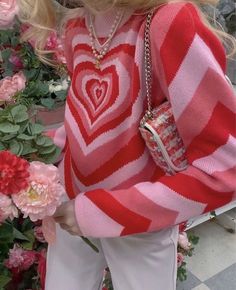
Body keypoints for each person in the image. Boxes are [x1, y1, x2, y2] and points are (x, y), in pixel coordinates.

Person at [18, 0, 236, 289]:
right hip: (69, 206)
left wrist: (103, 213)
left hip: (140, 224)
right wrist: (36, 154)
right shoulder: (78, 25)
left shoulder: (169, 21)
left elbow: (224, 169)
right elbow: (87, 118)